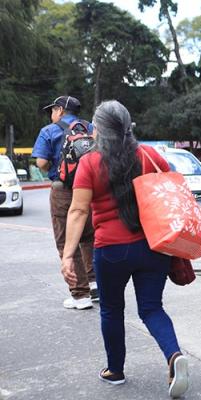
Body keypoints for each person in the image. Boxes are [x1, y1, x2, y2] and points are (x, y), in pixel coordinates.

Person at [60, 100, 189, 398]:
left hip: (111, 250)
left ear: (98, 129)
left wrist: (67, 256)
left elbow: (78, 211)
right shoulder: (150, 156)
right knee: (152, 308)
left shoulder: (90, 162)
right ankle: (174, 356)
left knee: (111, 309)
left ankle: (115, 370)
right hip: (153, 246)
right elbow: (170, 195)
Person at [32, 95, 97, 310]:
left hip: (63, 190)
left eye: (52, 110)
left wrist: (54, 167)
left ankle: (80, 295)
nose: (51, 114)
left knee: (66, 239)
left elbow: (41, 162)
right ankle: (94, 283)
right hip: (89, 189)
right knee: (89, 235)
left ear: (60, 110)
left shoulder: (49, 131)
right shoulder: (90, 128)